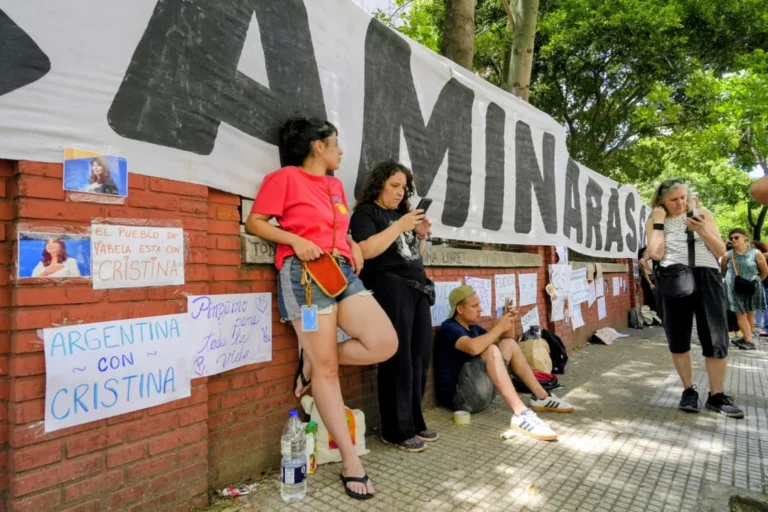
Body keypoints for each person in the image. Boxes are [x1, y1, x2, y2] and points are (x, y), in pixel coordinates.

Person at [245, 117, 397, 500]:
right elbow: (255, 223)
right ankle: (351, 461)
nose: (340, 151)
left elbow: (339, 228)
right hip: (303, 275)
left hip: (341, 271)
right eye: (335, 143)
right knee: (329, 370)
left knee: (384, 342)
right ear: (318, 146)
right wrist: (294, 240)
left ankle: (313, 360)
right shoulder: (284, 179)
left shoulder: (335, 185)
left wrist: (353, 244)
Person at [350, 160, 434, 453]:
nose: (400, 192)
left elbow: (413, 254)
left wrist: (420, 235)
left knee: (420, 356)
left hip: (418, 288)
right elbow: (365, 250)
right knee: (398, 359)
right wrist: (399, 226)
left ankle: (414, 420)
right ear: (379, 185)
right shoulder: (366, 213)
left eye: (404, 188)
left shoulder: (402, 215)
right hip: (390, 288)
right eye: (394, 185)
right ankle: (396, 429)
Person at [646, 178, 744, 418]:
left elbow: (720, 251)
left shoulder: (703, 214)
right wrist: (658, 222)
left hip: (707, 277)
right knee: (678, 337)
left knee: (715, 337)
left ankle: (716, 395)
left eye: (683, 197)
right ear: (661, 200)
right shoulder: (654, 220)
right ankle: (689, 390)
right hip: (673, 278)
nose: (680, 203)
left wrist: (701, 229)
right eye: (674, 199)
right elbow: (656, 254)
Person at [434, 285, 573, 442]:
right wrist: (499, 327)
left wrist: (509, 320)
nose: (480, 309)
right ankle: (521, 413)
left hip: (482, 394)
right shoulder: (449, 328)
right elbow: (473, 348)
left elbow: (507, 339)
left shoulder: (473, 328)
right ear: (460, 309)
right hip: (461, 401)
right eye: (474, 306)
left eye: (479, 304)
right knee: (491, 350)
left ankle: (541, 397)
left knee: (508, 344)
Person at [721, 229, 768, 350]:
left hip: (752, 287)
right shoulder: (727, 255)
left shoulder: (756, 253)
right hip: (734, 289)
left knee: (750, 315)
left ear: (745, 238)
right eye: (731, 238)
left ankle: (748, 339)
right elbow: (723, 271)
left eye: (736, 237)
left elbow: (764, 271)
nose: (733, 240)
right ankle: (748, 340)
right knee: (741, 315)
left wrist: (755, 281)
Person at [750, 240, 768, 336]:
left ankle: (767, 328)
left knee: (765, 306)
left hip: (766, 283)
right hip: (763, 283)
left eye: (753, 247)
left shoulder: (762, 255)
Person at [638, 246, 660, 315]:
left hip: (651, 279)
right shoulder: (643, 261)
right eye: (646, 251)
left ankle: (654, 314)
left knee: (654, 298)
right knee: (650, 298)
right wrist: (650, 283)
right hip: (647, 280)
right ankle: (651, 314)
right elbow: (645, 273)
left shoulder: (650, 260)